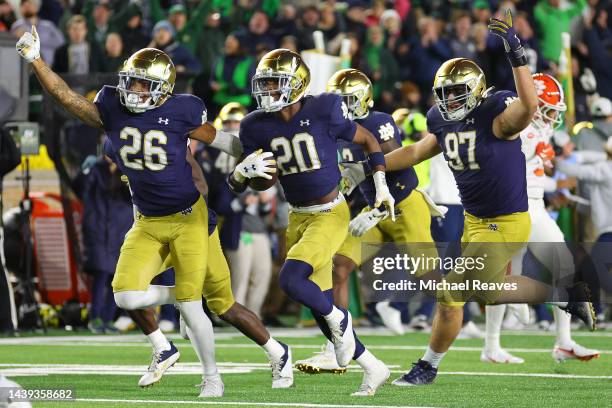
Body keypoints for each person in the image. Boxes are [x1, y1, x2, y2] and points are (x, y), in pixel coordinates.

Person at [341, 11, 595, 386]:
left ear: (476, 91)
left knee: (452, 292)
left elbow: (527, 107)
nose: (449, 99)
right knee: (489, 294)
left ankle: (427, 366)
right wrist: (368, 166)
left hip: (507, 221)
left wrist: (517, 56)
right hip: (476, 222)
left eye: (457, 92)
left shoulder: (497, 115)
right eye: (444, 93)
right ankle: (563, 293)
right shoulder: (442, 121)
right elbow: (414, 152)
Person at [14, 28, 260, 397]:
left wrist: (258, 154)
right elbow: (63, 95)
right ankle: (177, 310)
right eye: (131, 82)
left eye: (144, 85)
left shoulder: (183, 109)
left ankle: (212, 377)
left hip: (187, 214)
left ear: (162, 89)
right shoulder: (112, 106)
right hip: (147, 218)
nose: (134, 91)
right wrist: (35, 59)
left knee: (195, 305)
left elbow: (221, 140)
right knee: (126, 295)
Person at [228, 49, 392, 396]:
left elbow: (368, 139)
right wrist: (241, 176)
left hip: (331, 212)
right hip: (297, 216)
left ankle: (341, 320)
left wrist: (380, 185)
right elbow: (260, 179)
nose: (268, 89)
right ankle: (373, 366)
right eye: (265, 83)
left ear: (297, 83)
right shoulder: (255, 125)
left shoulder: (324, 107)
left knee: (290, 279)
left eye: (276, 82)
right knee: (320, 305)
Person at [295, 69, 442, 375]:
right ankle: (338, 345)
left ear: (363, 99)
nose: (342, 108)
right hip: (369, 209)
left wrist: (374, 199)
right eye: (338, 102)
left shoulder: (378, 122)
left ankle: (482, 306)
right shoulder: (336, 130)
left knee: (431, 280)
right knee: (339, 266)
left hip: (402, 203)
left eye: (348, 101)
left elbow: (399, 165)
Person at [482, 73, 600, 364]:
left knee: (552, 266)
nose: (550, 117)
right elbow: (504, 164)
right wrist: (536, 156)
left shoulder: (539, 130)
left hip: (532, 204)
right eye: (547, 109)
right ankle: (497, 344)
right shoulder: (515, 125)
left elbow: (538, 176)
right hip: (515, 206)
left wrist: (545, 165)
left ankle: (561, 342)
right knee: (513, 276)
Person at [82, 155, 133, 334]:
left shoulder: (128, 170)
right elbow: (82, 189)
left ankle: (108, 318)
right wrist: (85, 172)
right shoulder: (96, 170)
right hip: (100, 230)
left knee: (117, 278)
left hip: (121, 230)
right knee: (101, 274)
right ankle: (95, 317)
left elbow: (133, 197)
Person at [10, 0, 64, 66]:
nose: (27, 7)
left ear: (37, 7)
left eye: (29, 4)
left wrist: (34, 41)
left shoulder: (48, 25)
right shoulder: (17, 26)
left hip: (48, 67)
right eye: (24, 6)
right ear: (20, 9)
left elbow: (60, 41)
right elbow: (11, 45)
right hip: (26, 67)